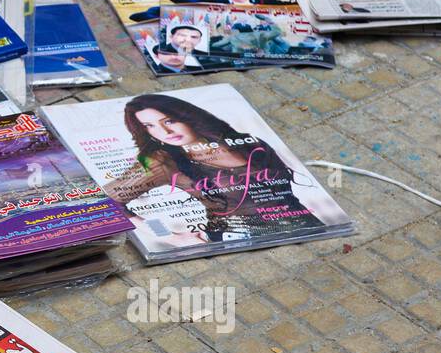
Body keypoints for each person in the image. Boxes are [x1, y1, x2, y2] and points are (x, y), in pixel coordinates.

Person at [101, 93, 326, 245]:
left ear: (186, 116)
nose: (164, 131)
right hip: (238, 241)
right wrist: (171, 237)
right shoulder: (162, 160)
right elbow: (107, 202)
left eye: (168, 120)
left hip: (309, 229)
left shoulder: (248, 142)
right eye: (149, 126)